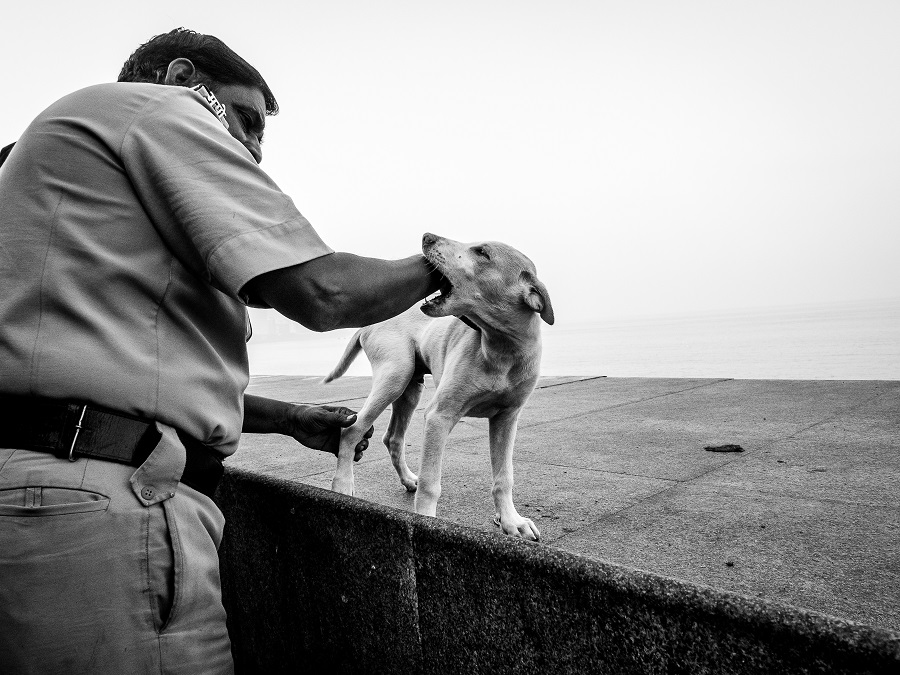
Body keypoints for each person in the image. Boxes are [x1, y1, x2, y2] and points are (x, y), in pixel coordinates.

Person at [0, 28, 442, 674]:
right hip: (108, 514)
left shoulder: (48, 163)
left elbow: (119, 369)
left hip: (47, 491)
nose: (255, 152)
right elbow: (321, 290)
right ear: (183, 79)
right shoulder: (153, 108)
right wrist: (449, 266)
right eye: (246, 120)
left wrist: (288, 419)